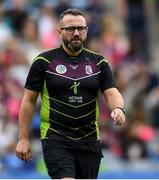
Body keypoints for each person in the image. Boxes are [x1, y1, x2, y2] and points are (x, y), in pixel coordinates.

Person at [16, 8, 126, 179]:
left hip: (89, 140)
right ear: (59, 32)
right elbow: (29, 101)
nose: (76, 33)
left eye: (81, 28)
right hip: (56, 138)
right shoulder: (43, 61)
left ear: (86, 31)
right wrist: (23, 138)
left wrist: (118, 108)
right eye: (70, 29)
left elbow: (112, 92)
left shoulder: (99, 62)